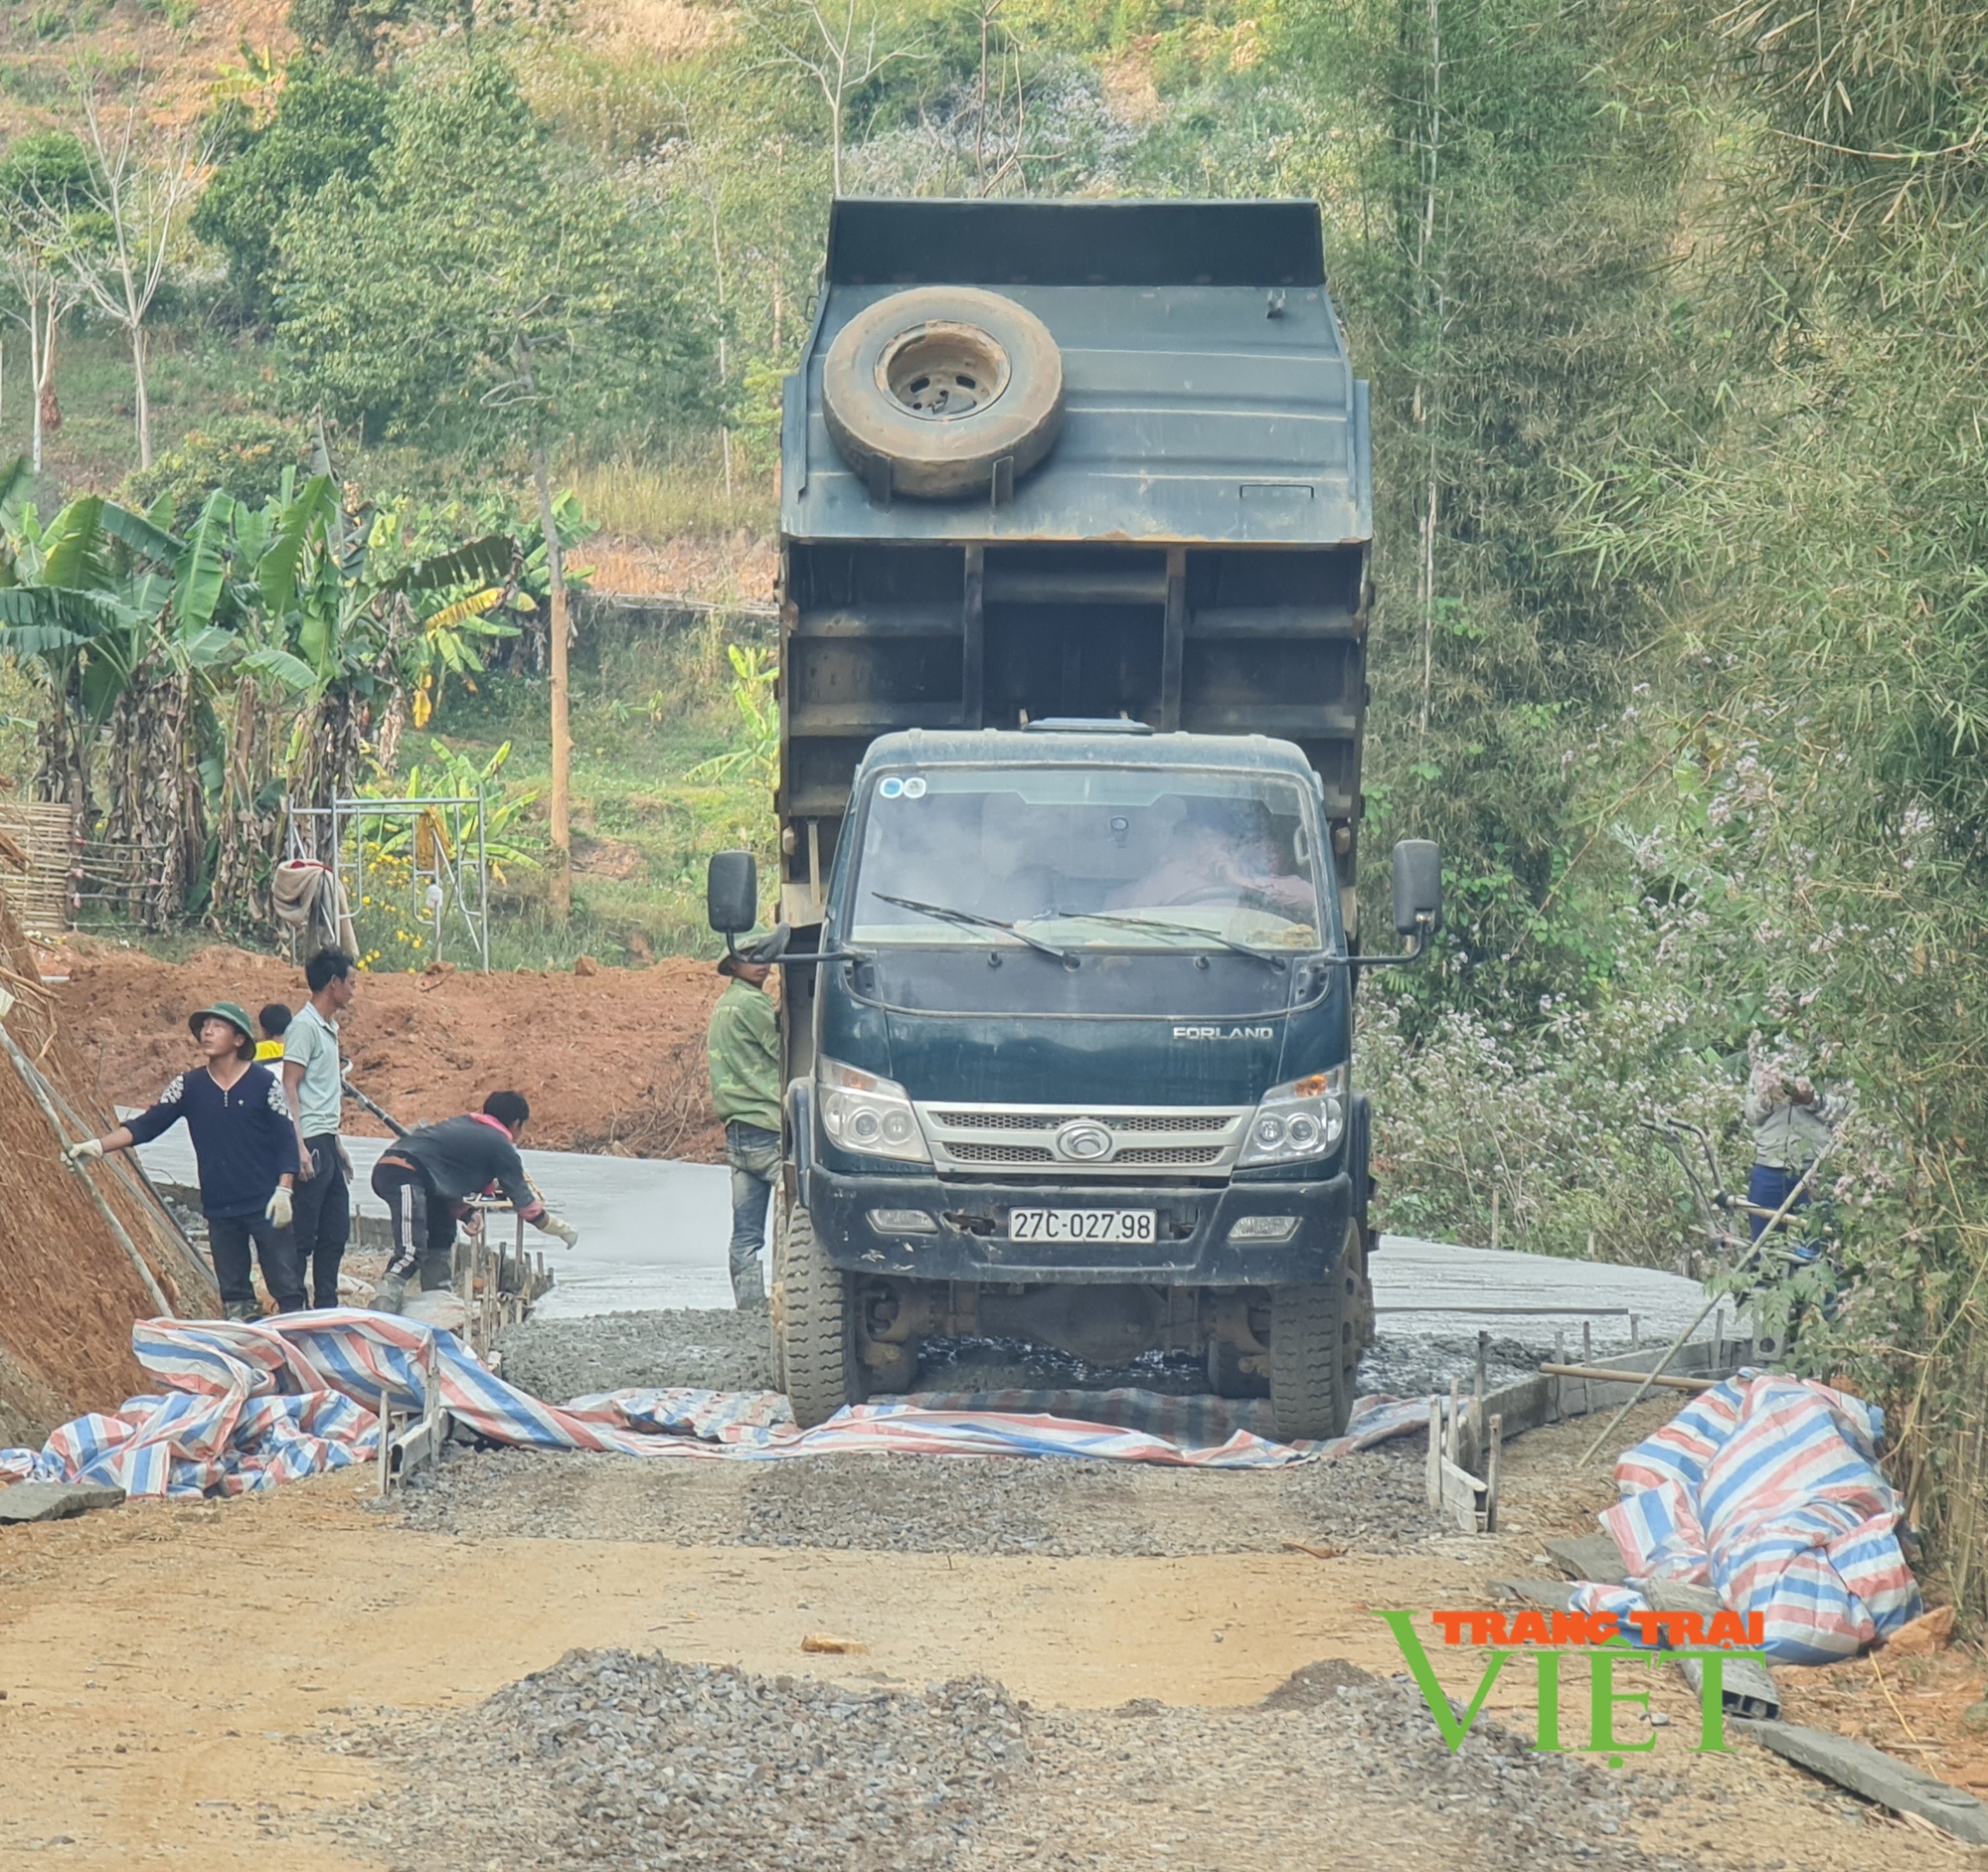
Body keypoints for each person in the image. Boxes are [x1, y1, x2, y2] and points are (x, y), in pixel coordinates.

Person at [67, 1001, 304, 1321]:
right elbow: (147, 1125)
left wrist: (285, 1188)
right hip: (221, 1206)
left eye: (217, 1026)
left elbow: (286, 1138)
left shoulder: (264, 1084)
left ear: (239, 1040)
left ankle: (300, 1349)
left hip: (266, 1201)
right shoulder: (189, 1086)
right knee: (235, 1294)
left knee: (286, 1284)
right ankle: (250, 1353)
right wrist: (97, 1146)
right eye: (204, 1026)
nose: (207, 1031)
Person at [367, 1090, 580, 1314]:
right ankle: (384, 1304)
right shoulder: (500, 1145)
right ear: (516, 1124)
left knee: (441, 1235)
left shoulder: (463, 1125)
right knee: (411, 1251)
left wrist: (468, 1214)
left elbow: (442, 1183)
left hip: (412, 1175)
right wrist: (563, 1229)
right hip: (404, 1173)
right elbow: (527, 1208)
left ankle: (437, 1299)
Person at [706, 934, 785, 1309]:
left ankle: (749, 1308)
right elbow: (782, 1049)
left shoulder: (724, 1005)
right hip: (769, 1129)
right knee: (801, 1218)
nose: (761, 962)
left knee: (746, 1234)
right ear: (733, 965)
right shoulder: (753, 1004)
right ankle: (792, 1301)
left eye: (763, 955)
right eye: (750, 956)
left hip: (738, 1134)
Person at [283, 947, 357, 1309]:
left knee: (335, 1231)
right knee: (302, 1233)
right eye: (350, 982)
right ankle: (292, 1305)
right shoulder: (304, 1027)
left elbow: (322, 1092)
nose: (353, 990)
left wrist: (336, 1144)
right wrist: (297, 1146)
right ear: (333, 983)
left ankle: (326, 1302)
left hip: (325, 1140)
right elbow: (290, 1086)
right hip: (308, 1140)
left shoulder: (329, 1028)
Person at [1741, 1064, 1839, 1252]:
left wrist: (1812, 1100)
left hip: (1817, 1167)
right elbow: (1751, 1114)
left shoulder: (1831, 1054)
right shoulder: (1767, 1056)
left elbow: (1847, 1110)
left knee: (1822, 1249)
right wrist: (1768, 1098)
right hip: (1769, 1166)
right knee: (1763, 1252)